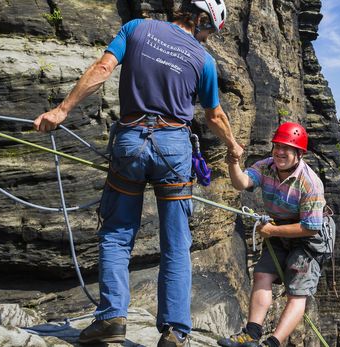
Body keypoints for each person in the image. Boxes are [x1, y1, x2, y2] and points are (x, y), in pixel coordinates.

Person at [33, 1, 243, 346]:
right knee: (176, 243)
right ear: (201, 19)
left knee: (117, 234)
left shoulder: (136, 28)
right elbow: (215, 115)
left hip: (131, 141)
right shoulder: (204, 61)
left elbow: (103, 69)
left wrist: (61, 110)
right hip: (174, 147)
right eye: (209, 31)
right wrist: (233, 145)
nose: (207, 38)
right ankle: (175, 331)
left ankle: (112, 319)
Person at [219, 122, 326, 347]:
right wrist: (233, 163)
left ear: (299, 153)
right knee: (262, 275)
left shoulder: (310, 183)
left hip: (307, 238)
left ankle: (273, 343)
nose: (279, 152)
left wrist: (273, 230)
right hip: (278, 231)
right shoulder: (266, 166)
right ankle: (251, 335)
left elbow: (311, 226)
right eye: (277, 146)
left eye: (286, 148)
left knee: (297, 290)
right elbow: (242, 183)